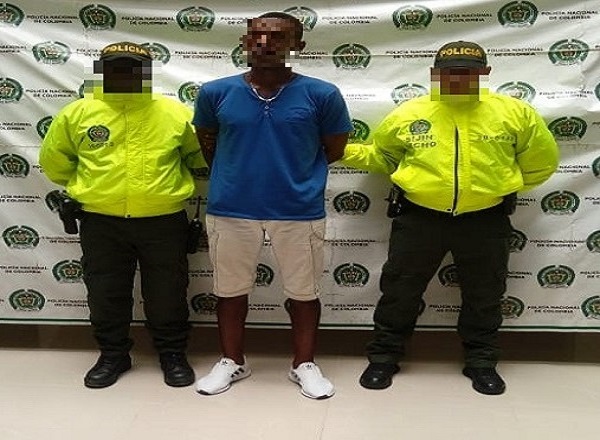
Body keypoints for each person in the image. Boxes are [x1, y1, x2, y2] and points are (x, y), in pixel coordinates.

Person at [342, 41, 559, 395]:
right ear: (435, 73)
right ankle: (384, 357)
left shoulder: (515, 113)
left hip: (485, 219)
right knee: (400, 289)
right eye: (450, 72)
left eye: (468, 72)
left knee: (485, 293)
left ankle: (481, 361)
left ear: (485, 73)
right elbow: (384, 157)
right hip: (419, 217)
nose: (458, 78)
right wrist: (338, 150)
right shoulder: (410, 113)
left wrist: (496, 188)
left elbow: (541, 163)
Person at [192, 12, 352, 399]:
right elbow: (209, 144)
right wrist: (239, 175)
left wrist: (292, 176)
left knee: (304, 292)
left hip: (297, 208)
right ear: (245, 43)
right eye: (256, 36)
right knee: (230, 291)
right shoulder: (215, 92)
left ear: (298, 46)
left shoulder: (322, 94)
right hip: (232, 206)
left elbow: (334, 149)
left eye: (278, 37)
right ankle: (232, 360)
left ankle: (304, 364)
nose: (264, 44)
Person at [39, 42, 206, 389]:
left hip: (163, 220)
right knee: (105, 291)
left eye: (133, 67)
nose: (125, 73)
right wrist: (96, 189)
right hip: (101, 221)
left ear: (147, 72)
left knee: (168, 292)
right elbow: (55, 163)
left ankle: (172, 354)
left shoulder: (175, 113)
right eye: (115, 66)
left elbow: (197, 157)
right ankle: (113, 355)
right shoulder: (77, 114)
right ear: (101, 71)